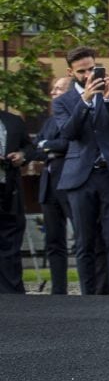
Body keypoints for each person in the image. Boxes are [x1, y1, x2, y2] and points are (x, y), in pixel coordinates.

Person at [54, 46, 109, 295]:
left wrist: (108, 99)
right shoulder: (63, 102)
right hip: (80, 178)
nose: (88, 74)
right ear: (71, 72)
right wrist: (85, 100)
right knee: (84, 242)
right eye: (82, 71)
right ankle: (87, 298)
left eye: (91, 68)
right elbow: (67, 133)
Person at [34, 76, 73, 294]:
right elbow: (34, 149)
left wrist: (46, 145)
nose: (53, 93)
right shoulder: (49, 121)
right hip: (48, 186)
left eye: (58, 89)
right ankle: (59, 290)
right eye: (53, 89)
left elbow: (67, 144)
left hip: (69, 184)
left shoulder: (73, 117)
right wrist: (50, 147)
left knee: (84, 239)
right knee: (54, 241)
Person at [0, 108, 32, 294]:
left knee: (10, 243)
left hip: (8, 189)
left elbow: (29, 147)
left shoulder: (13, 121)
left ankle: (12, 294)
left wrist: (22, 156)